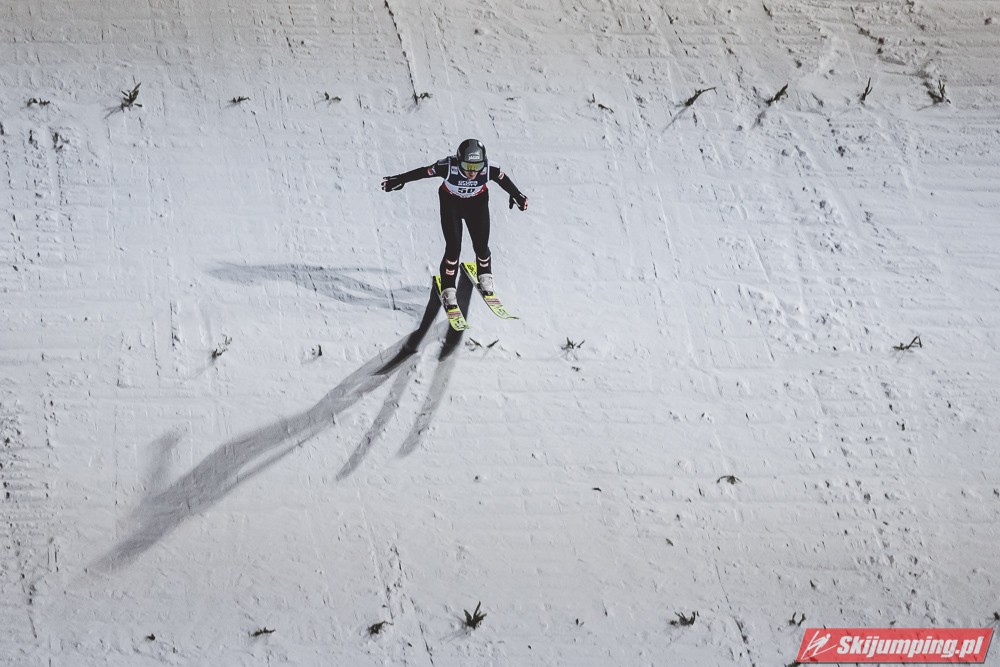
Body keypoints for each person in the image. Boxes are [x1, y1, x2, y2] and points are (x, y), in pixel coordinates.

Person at [381, 139, 528, 308]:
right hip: (451, 205)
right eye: (467, 166)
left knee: (481, 245)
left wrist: (517, 195)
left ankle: (485, 274)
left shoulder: (490, 168)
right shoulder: (447, 166)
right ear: (459, 161)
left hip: (477, 204)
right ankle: (448, 287)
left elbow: (504, 181)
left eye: (477, 167)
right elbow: (423, 172)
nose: (472, 172)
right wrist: (399, 179)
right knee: (453, 248)